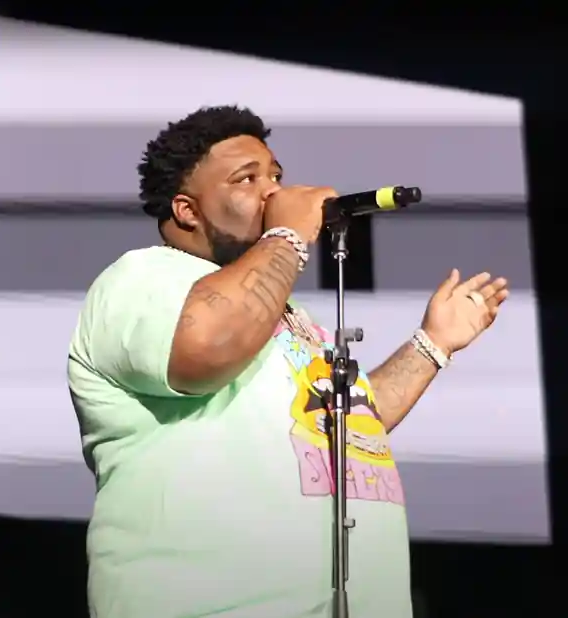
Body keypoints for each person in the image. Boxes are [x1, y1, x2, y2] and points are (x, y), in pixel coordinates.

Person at [67, 105, 509, 618]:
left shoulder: (284, 315)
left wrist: (432, 345)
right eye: (246, 178)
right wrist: (288, 237)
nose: (273, 191)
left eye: (276, 175)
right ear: (187, 210)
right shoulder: (141, 280)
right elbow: (202, 349)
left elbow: (347, 425)